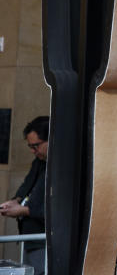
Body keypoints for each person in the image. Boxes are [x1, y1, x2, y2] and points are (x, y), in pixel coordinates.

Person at [0, 116, 49, 274]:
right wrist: (14, 202)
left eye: (36, 145)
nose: (33, 151)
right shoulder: (39, 162)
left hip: (45, 241)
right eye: (30, 146)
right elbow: (25, 187)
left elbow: (56, 209)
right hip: (30, 237)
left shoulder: (60, 166)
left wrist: (23, 211)